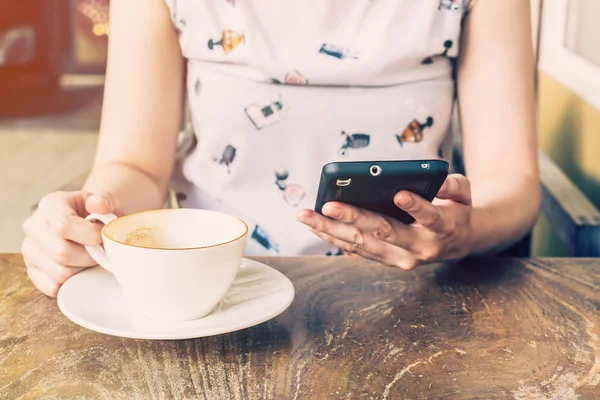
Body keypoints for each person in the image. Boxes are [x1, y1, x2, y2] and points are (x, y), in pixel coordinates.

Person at [22, 0, 540, 297]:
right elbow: (133, 164)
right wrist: (89, 216)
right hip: (217, 290)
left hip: (414, 293)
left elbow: (511, 180)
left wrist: (462, 232)